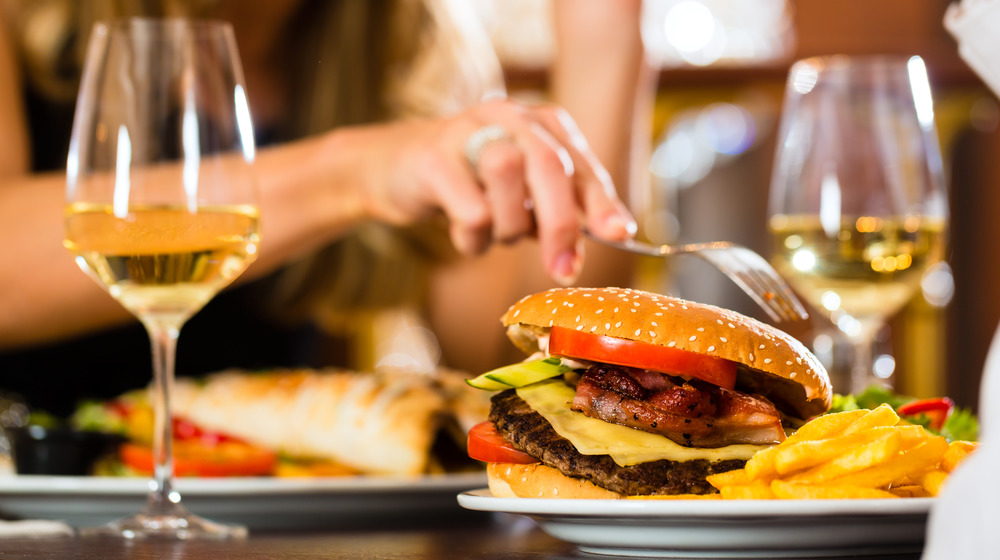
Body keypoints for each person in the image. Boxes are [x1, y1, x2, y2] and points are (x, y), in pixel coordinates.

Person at [0, 0, 654, 414]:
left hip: (267, 517)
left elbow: (506, 356)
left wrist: (604, 38)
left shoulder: (405, 45)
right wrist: (353, 170)